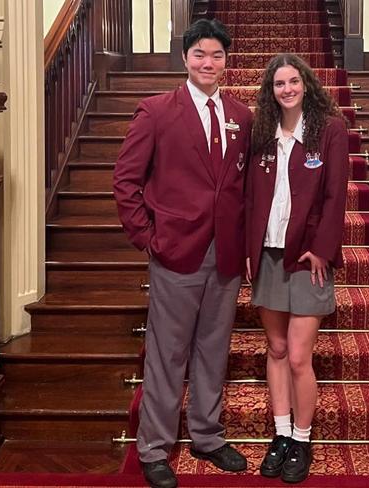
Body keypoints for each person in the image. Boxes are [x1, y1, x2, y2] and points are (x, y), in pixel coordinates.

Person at [113, 19, 252, 488]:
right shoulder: (156, 111)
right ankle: (154, 447)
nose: (207, 63)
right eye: (199, 55)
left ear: (225, 61)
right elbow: (126, 181)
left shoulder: (242, 114)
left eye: (216, 55)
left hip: (226, 253)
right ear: (185, 59)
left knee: (213, 349)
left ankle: (207, 436)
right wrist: (147, 237)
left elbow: (242, 185)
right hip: (175, 250)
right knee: (168, 353)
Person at [245, 53, 349, 483]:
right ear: (271, 92)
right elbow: (250, 197)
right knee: (277, 350)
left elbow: (335, 196)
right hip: (268, 254)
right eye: (278, 84)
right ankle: (282, 434)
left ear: (306, 84)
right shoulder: (263, 133)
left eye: (293, 81)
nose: (286, 89)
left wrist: (322, 250)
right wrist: (249, 248)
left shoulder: (329, 131)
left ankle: (302, 440)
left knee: (300, 356)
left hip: (308, 258)